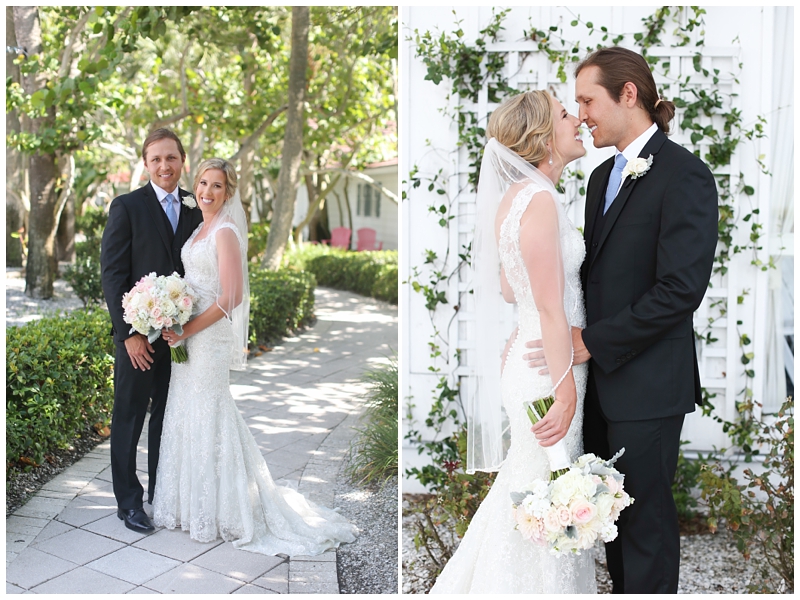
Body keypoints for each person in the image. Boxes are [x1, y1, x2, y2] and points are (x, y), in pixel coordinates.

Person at [524, 47, 718, 593]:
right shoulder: (600, 176)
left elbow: (681, 289)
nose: (580, 113)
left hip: (649, 386)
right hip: (598, 389)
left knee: (645, 528)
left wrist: (592, 342)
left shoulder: (686, 175)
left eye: (588, 100)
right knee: (608, 527)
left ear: (628, 94)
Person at [429, 91, 596, 593]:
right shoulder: (540, 200)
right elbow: (548, 306)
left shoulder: (517, 198)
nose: (578, 121)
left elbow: (510, 287)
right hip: (552, 368)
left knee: (535, 484)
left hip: (537, 356)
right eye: (567, 115)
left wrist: (525, 327)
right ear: (544, 137)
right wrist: (565, 392)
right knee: (544, 486)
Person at [153, 158, 358, 556]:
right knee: (185, 411)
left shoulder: (225, 231)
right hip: (187, 334)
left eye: (216, 186)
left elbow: (232, 296)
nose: (207, 192)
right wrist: (172, 311)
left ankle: (229, 509)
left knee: (210, 412)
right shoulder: (199, 228)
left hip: (207, 338)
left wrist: (188, 329)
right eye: (202, 184)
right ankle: (192, 505)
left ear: (229, 192)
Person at [101, 128, 204, 533]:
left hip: (180, 338)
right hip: (138, 338)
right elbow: (113, 274)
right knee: (128, 417)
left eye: (171, 158)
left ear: (182, 162)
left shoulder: (197, 208)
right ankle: (129, 502)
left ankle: (162, 492)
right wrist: (129, 333)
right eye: (156, 158)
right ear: (146, 164)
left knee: (168, 415)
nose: (165, 165)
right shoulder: (126, 207)